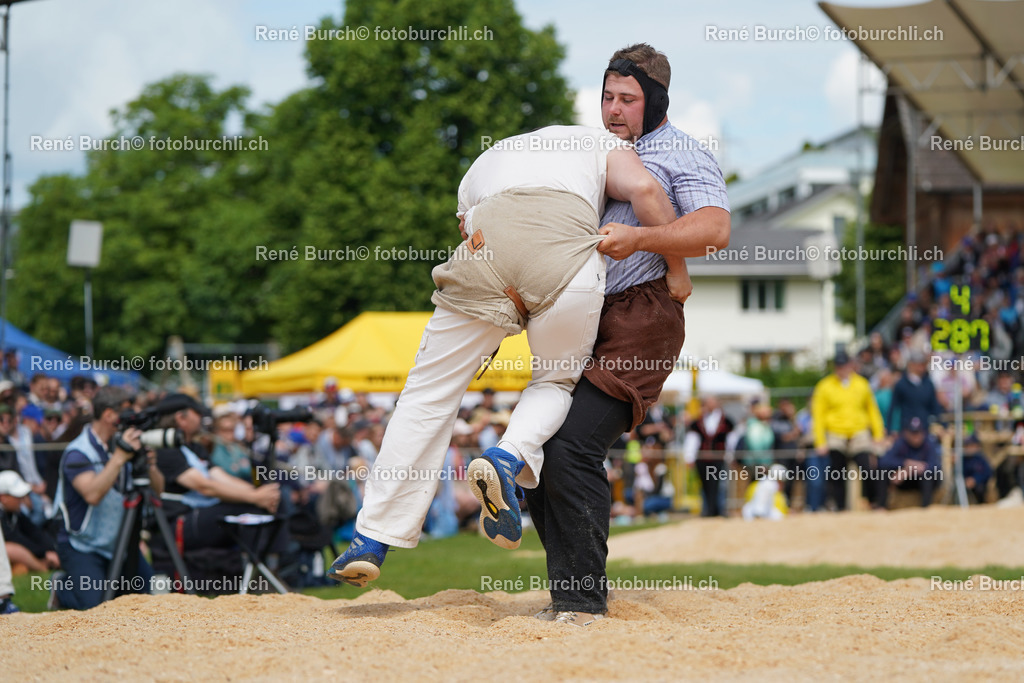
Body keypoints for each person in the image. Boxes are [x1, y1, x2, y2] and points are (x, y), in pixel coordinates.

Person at [327, 124, 681, 587]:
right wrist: (678, 268)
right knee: (553, 381)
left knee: (427, 395)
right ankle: (508, 456)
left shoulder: (485, 162)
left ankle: (371, 539)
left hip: (486, 243)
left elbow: (465, 225)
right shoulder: (601, 143)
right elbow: (645, 189)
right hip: (566, 255)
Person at [526, 43, 731, 626]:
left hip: (645, 317)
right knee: (536, 446)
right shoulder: (593, 152)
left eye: (628, 99)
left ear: (656, 100)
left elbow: (715, 228)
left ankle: (583, 602)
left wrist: (641, 240)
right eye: (607, 97)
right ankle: (569, 591)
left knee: (573, 445)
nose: (613, 109)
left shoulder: (681, 153)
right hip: (584, 313)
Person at [51, 386, 161, 610]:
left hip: (118, 544)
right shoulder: (77, 452)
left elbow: (158, 490)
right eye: (128, 414)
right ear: (110, 415)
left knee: (148, 599)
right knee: (96, 608)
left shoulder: (126, 446)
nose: (132, 421)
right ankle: (62, 588)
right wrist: (120, 456)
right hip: (82, 545)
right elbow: (92, 494)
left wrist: (149, 464)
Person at [811, 351, 886, 511]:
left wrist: (878, 433)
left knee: (867, 466)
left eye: (844, 365)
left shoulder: (861, 384)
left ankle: (873, 502)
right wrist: (820, 441)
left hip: (859, 431)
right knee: (837, 471)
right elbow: (818, 416)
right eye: (839, 366)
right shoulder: (824, 386)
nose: (842, 369)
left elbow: (872, 411)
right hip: (835, 432)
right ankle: (840, 507)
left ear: (850, 365)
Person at [0, 469, 58, 573]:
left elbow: (34, 532)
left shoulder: (15, 513)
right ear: (3, 498)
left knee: (21, 566)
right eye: (17, 496)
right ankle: (42, 568)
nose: (22, 500)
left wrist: (51, 550)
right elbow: (14, 538)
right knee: (11, 549)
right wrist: (44, 554)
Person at [877, 417, 942, 508]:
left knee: (928, 474)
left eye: (918, 433)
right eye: (913, 433)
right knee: (883, 471)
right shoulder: (901, 443)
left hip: (922, 482)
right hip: (904, 481)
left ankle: (926, 508)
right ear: (906, 433)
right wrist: (905, 463)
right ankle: (881, 506)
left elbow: (936, 466)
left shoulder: (929, 443)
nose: (916, 437)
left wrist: (911, 469)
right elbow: (884, 461)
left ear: (923, 433)